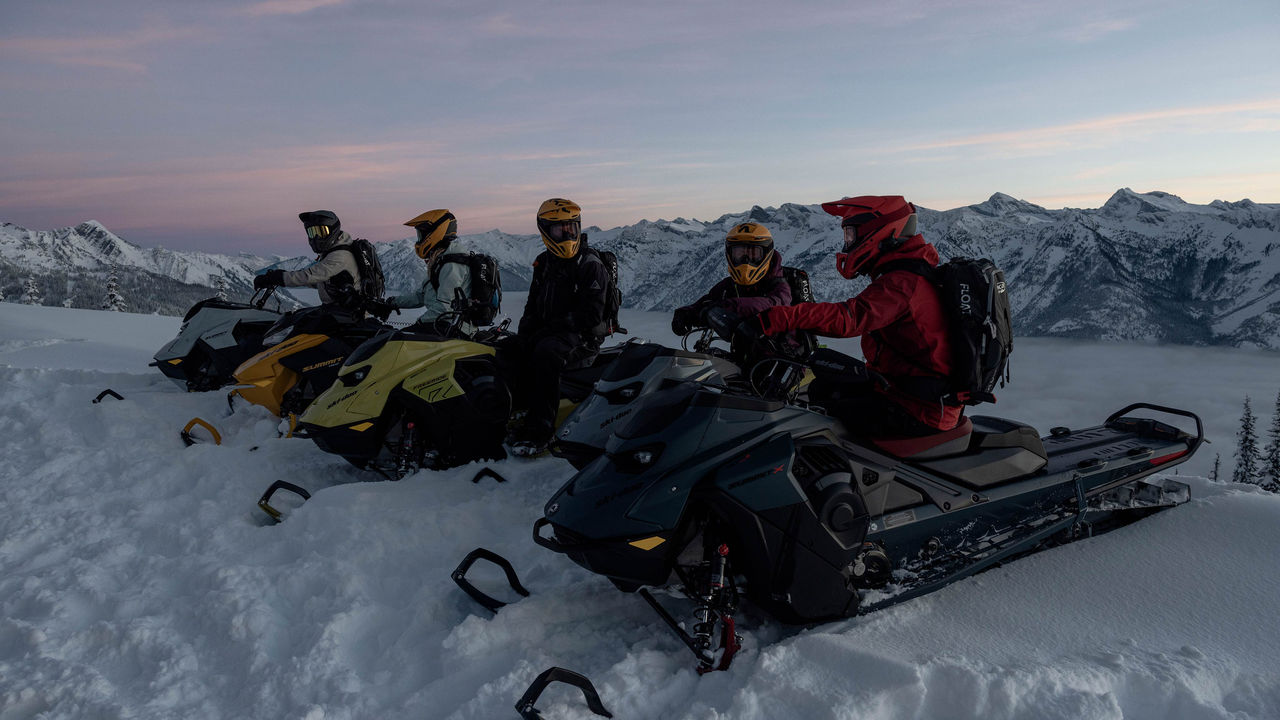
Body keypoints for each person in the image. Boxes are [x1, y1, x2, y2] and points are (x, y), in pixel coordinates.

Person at [743, 195, 960, 437]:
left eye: (850, 235)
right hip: (905, 391)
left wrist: (783, 317)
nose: (847, 244)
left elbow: (849, 318)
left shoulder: (903, 282)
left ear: (878, 232)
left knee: (813, 424)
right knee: (822, 386)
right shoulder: (906, 272)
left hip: (919, 410)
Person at [505, 198, 610, 456]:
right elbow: (532, 305)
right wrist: (525, 333)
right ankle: (509, 411)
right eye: (559, 229)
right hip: (554, 332)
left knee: (546, 354)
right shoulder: (544, 263)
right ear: (545, 231)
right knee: (507, 348)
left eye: (570, 228)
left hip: (583, 337)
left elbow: (592, 314)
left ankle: (541, 429)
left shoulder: (590, 265)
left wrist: (550, 329)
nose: (566, 234)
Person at [670, 221, 791, 363]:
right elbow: (709, 301)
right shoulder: (731, 286)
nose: (746, 261)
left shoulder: (780, 285)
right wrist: (687, 313)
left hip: (782, 363)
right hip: (746, 358)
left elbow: (771, 305)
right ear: (730, 254)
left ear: (766, 254)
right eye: (740, 254)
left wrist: (724, 307)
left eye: (753, 254)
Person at [387, 209, 477, 335]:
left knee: (397, 343)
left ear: (434, 233)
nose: (419, 240)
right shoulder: (440, 260)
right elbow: (422, 296)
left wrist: (419, 324)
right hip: (444, 325)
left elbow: (445, 307)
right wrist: (391, 303)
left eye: (421, 235)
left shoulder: (452, 264)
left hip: (455, 329)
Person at [254, 210, 362, 306]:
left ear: (333, 231)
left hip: (348, 315)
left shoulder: (339, 256)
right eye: (312, 232)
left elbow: (309, 276)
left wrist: (277, 278)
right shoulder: (333, 252)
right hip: (339, 311)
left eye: (321, 232)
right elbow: (319, 280)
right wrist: (283, 276)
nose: (316, 237)